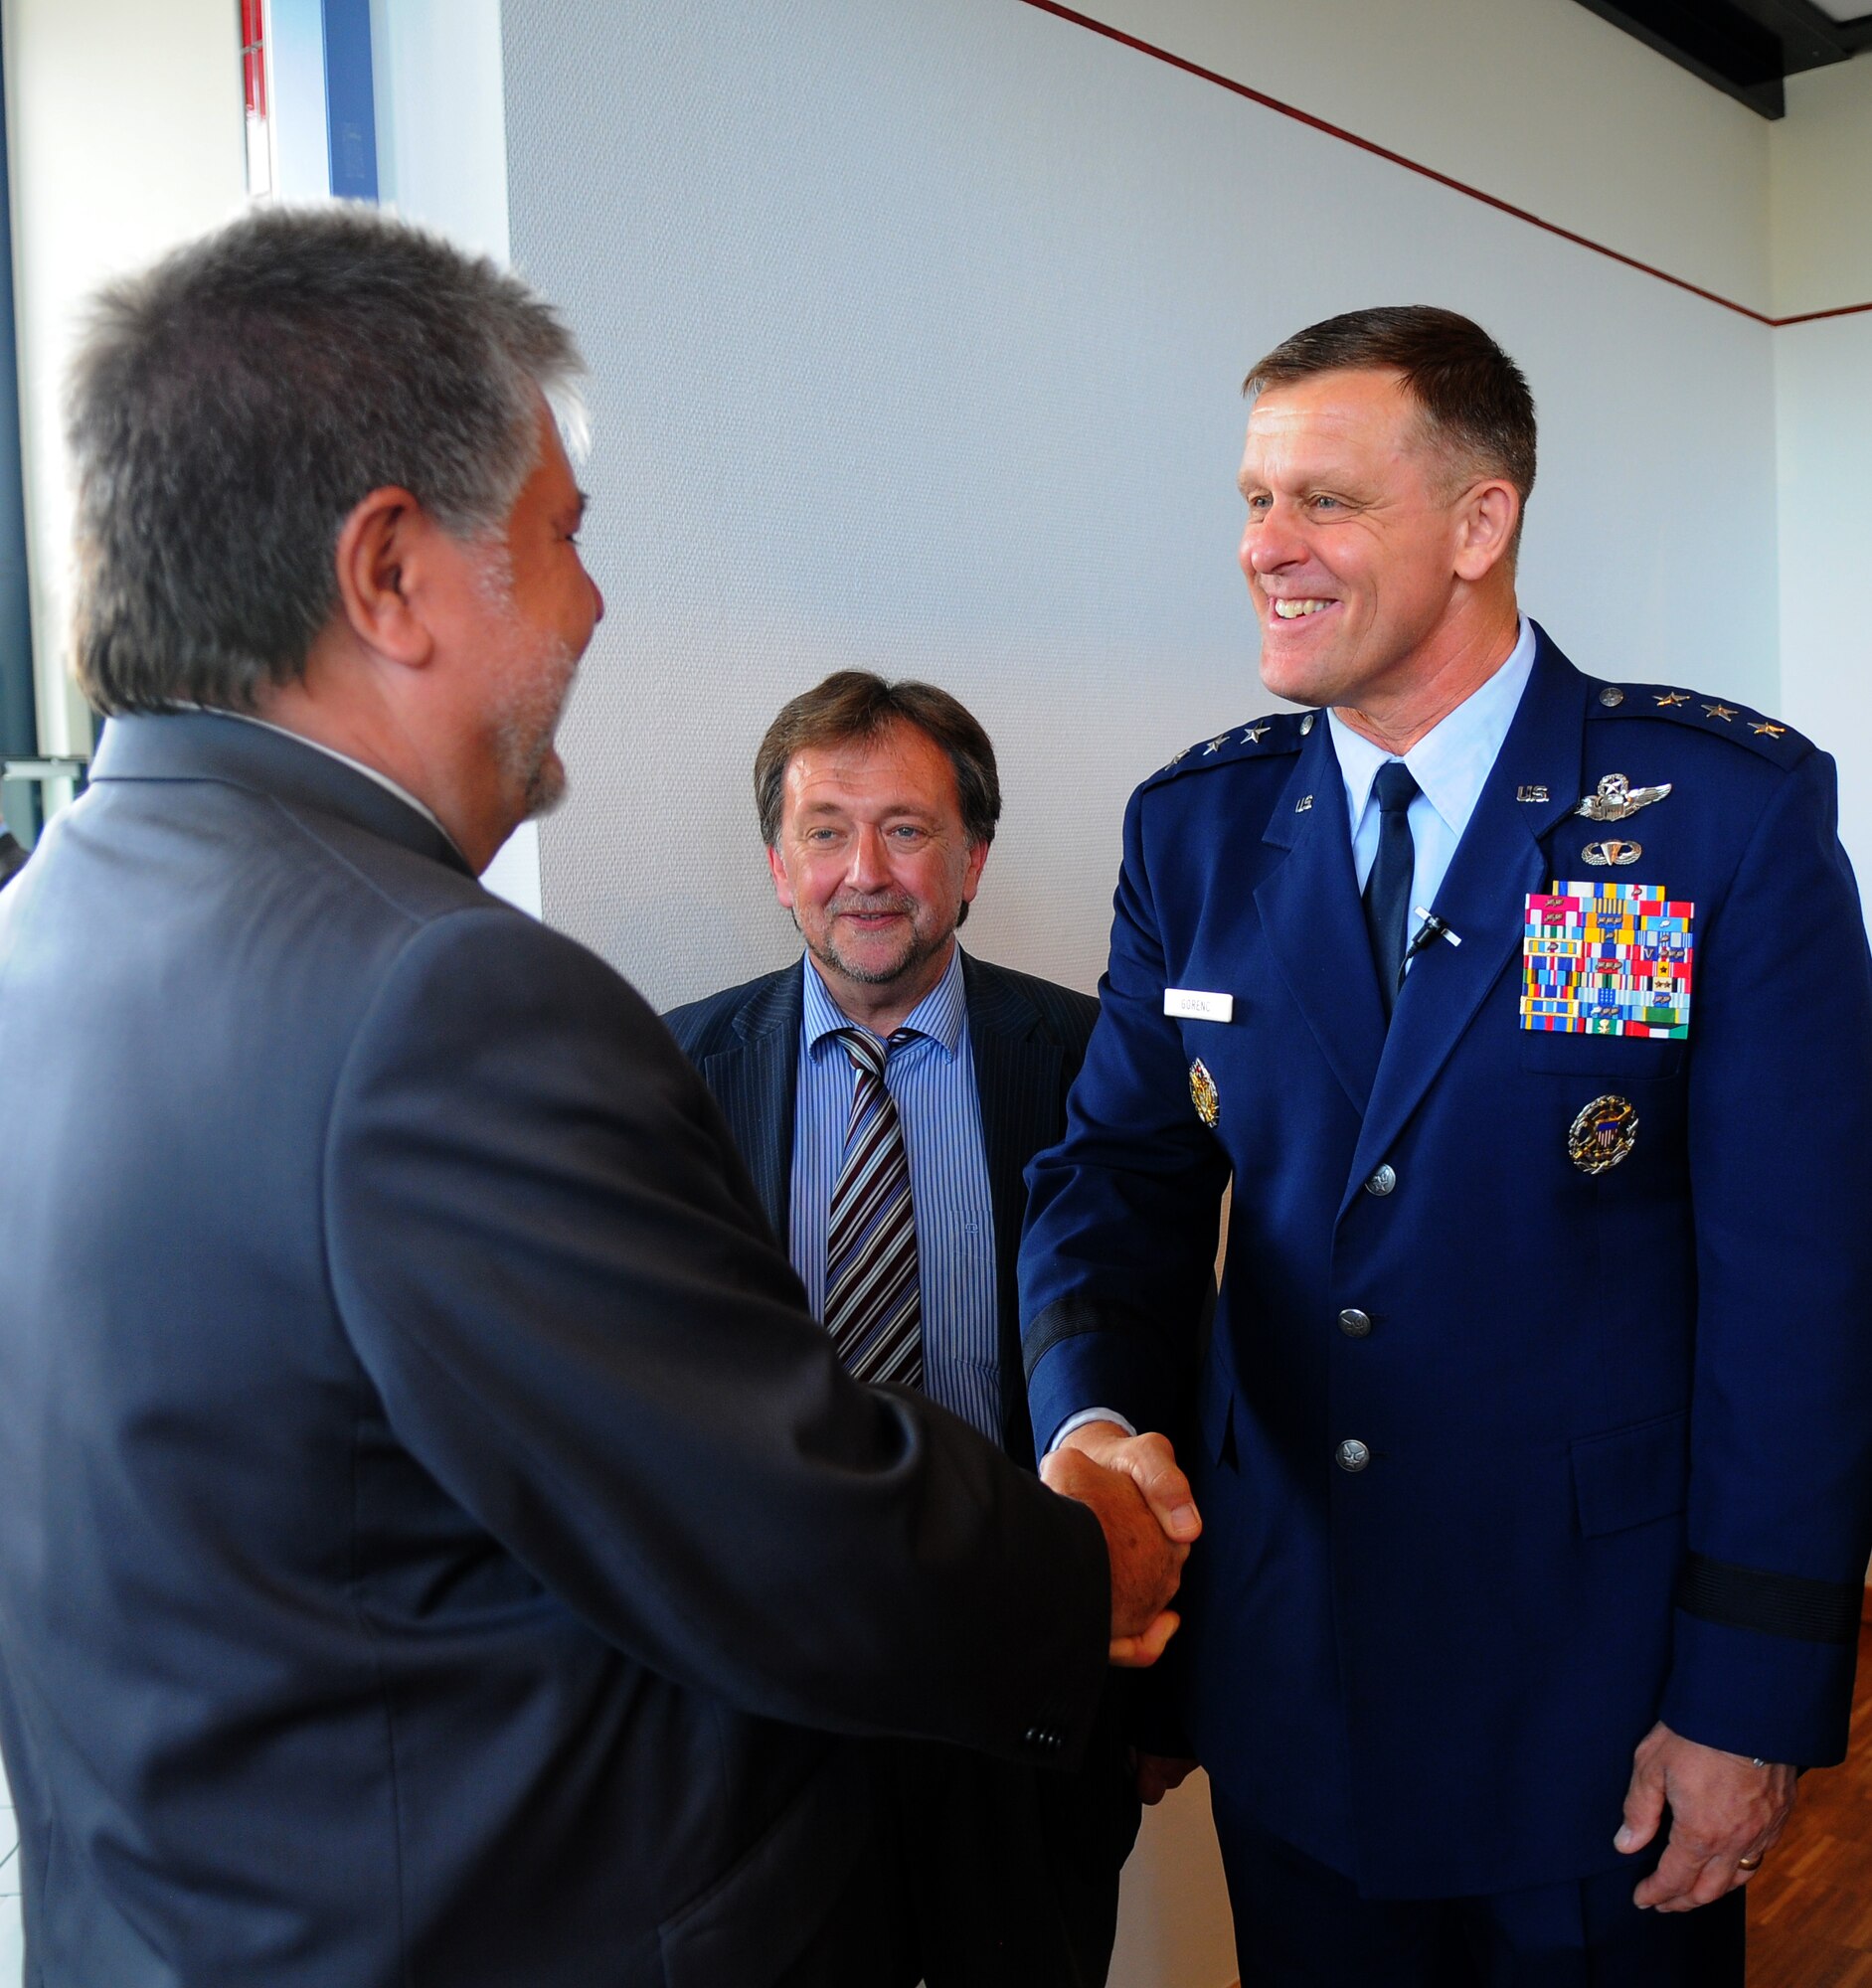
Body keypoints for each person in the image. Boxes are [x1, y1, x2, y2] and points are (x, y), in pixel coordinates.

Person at [0, 205, 1193, 1988]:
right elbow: (789, 1528)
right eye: (561, 534)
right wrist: (1087, 1558)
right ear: (391, 573)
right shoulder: (441, 995)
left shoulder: (48, 927)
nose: (596, 596)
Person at [1018, 305, 1872, 1986]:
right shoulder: (1195, 832)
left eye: (1325, 501)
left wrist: (1748, 1695)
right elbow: (1113, 1181)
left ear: (1481, 523)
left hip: (1606, 1712)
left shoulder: (1718, 818)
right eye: (1255, 500)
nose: (1267, 547)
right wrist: (1099, 1424)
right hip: (1295, 1687)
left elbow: (1804, 1291)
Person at [666, 672, 1151, 1986]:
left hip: (1024, 1698)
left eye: (909, 828)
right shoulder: (671, 1083)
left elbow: (1169, 1372)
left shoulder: (1097, 1068)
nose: (865, 871)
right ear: (778, 863)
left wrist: (1161, 1695)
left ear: (975, 857)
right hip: (766, 1717)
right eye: (826, 830)